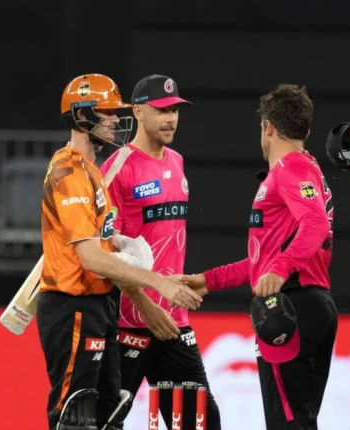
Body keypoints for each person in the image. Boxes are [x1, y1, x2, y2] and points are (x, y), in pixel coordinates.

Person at [37, 73, 202, 430]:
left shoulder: (91, 171)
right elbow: (91, 258)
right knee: (76, 419)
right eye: (108, 112)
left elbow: (105, 244)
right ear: (82, 115)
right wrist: (157, 283)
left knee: (106, 417)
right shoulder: (69, 172)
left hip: (99, 305)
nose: (115, 119)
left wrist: (125, 247)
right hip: (73, 305)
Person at [181, 84, 338, 430]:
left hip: (292, 307)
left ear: (268, 127)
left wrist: (280, 270)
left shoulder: (291, 168)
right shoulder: (307, 168)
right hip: (313, 304)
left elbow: (315, 225)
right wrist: (210, 280)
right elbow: (263, 260)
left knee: (289, 423)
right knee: (299, 420)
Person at [99, 74, 221, 430]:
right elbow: (107, 252)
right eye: (162, 110)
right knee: (104, 424)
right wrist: (144, 305)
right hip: (127, 323)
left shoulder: (177, 161)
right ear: (138, 111)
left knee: (203, 423)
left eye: (175, 111)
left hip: (172, 324)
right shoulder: (118, 167)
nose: (171, 119)